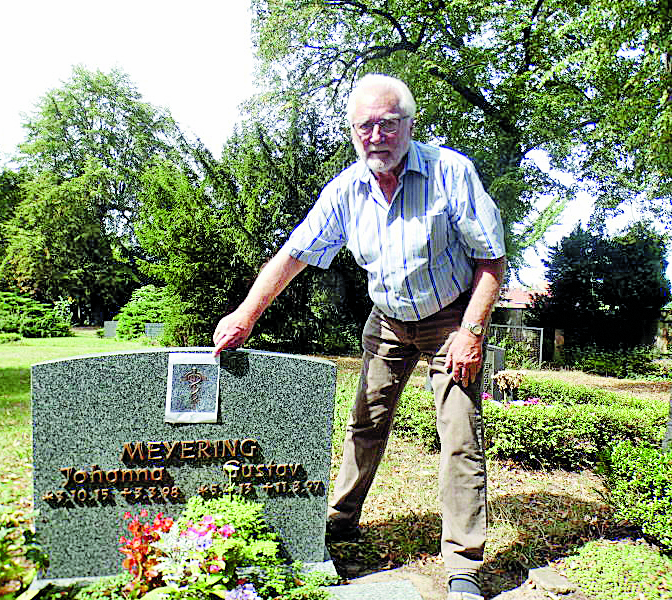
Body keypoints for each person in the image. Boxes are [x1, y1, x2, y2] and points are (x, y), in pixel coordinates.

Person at [212, 73, 506, 600]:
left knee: (458, 434)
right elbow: (293, 256)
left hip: (450, 317)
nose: (376, 135)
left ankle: (463, 563)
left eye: (388, 123)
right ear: (352, 131)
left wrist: (471, 331)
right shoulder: (345, 191)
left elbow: (491, 258)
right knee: (364, 422)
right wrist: (246, 315)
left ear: (409, 125)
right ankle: (340, 519)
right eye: (365, 125)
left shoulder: (450, 173)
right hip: (388, 318)